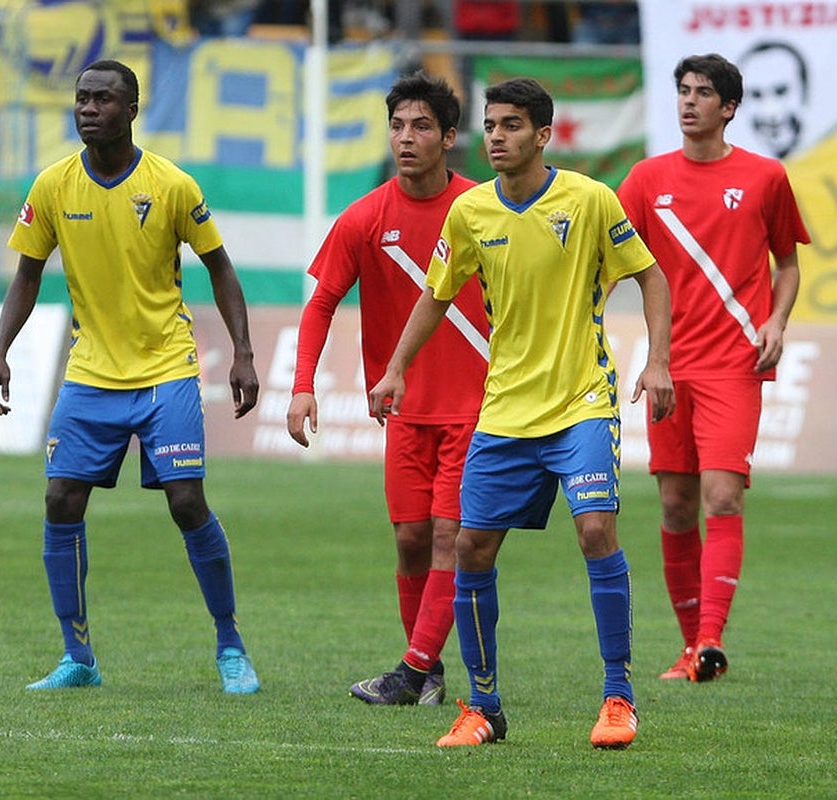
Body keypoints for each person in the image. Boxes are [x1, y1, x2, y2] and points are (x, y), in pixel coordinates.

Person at [369, 77, 674, 749]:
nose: (496, 136)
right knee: (472, 548)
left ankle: (619, 698)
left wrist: (658, 361)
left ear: (543, 135)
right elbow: (436, 295)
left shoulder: (590, 200)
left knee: (596, 530)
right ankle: (482, 707)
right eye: (490, 124)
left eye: (511, 125)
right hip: (505, 411)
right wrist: (395, 368)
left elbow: (651, 275)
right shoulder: (471, 213)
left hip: (581, 402)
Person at [0, 59, 261, 694]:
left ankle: (230, 646)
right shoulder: (52, 186)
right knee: (59, 500)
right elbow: (27, 274)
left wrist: (243, 351)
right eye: (81, 98)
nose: (87, 108)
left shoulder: (172, 185)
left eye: (102, 99)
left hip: (165, 366)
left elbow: (219, 266)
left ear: (131, 110)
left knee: (186, 501)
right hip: (91, 372)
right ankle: (77, 657)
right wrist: (0, 351)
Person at [286, 72, 487, 707]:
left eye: (422, 126)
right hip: (403, 408)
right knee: (410, 541)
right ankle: (426, 672)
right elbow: (320, 304)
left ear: (449, 137)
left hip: (478, 406)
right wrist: (301, 387)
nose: (406, 137)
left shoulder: (481, 210)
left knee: (450, 535)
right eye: (398, 125)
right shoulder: (365, 217)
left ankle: (411, 669)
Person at [616, 53, 808, 683]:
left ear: (729, 108)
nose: (688, 101)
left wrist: (776, 321)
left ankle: (709, 641)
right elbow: (610, 261)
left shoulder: (764, 178)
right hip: (669, 367)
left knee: (722, 494)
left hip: (734, 363)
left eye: (703, 93)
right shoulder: (645, 181)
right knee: (675, 504)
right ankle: (689, 647)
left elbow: (787, 264)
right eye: (682, 90)